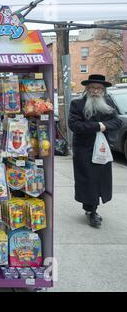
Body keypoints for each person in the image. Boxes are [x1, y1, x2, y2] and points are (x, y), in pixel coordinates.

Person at [68, 74, 123, 227]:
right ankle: (92, 211)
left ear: (103, 90)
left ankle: (92, 208)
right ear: (87, 89)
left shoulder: (108, 103)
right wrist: (98, 126)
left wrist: (105, 126)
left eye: (99, 88)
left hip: (103, 149)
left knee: (99, 180)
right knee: (88, 180)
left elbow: (117, 121)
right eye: (92, 88)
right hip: (84, 149)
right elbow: (74, 125)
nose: (95, 91)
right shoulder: (77, 104)